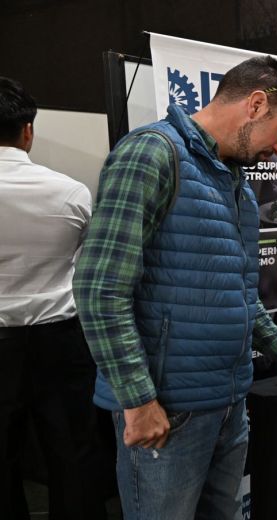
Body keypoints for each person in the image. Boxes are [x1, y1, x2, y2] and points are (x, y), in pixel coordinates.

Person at [73, 56, 277, 520]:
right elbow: (99, 290)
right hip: (167, 411)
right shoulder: (152, 153)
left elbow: (238, 294)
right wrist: (138, 400)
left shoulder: (234, 183)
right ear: (255, 104)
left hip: (227, 404)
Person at [0, 77, 108, 520]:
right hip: (62, 340)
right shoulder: (71, 192)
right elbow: (93, 265)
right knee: (73, 454)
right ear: (29, 130)